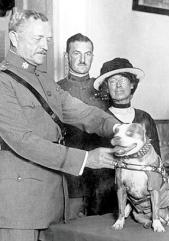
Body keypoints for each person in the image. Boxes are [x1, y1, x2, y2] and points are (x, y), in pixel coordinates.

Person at [0, 9, 121, 241]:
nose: (45, 45)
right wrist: (86, 159)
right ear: (14, 38)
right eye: (37, 38)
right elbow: (24, 142)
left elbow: (81, 111)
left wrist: (118, 128)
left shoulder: (44, 80)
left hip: (52, 195)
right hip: (17, 202)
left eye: (48, 39)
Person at [57, 33, 110, 217]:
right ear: (66, 56)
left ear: (93, 57)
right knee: (70, 227)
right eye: (76, 53)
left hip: (102, 176)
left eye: (87, 54)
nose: (82, 59)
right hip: (71, 175)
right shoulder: (55, 90)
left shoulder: (105, 90)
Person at [94, 57, 161, 157]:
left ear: (132, 84)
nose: (118, 85)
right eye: (112, 81)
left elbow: (156, 160)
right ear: (107, 88)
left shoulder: (145, 118)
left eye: (122, 80)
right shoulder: (100, 119)